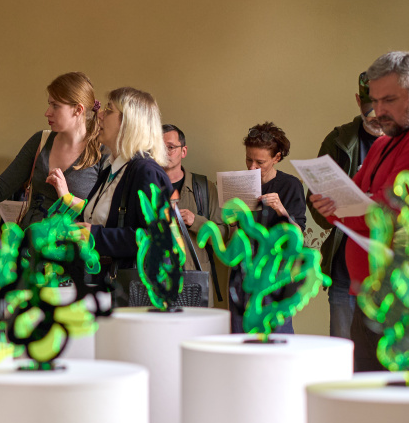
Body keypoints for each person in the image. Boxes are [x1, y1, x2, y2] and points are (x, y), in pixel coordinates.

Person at [310, 51, 409, 370]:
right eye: (375, 100)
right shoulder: (382, 143)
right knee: (366, 390)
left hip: (406, 297)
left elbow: (382, 212)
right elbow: (347, 206)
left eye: (389, 100)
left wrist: (351, 205)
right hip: (368, 295)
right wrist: (338, 205)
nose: (378, 111)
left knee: (403, 394)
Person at [0, 72, 106, 226]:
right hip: (31, 245)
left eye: (56, 106)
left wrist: (67, 197)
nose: (47, 112)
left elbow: (105, 216)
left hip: (74, 246)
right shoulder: (40, 141)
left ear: (78, 110)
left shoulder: (102, 151)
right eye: (49, 104)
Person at [47, 86, 171, 287]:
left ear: (129, 122)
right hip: (107, 286)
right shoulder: (111, 169)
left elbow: (156, 238)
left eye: (109, 110)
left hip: (135, 292)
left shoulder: (146, 171)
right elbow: (101, 219)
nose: (100, 115)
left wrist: (95, 235)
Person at [305, 72, 385, 338]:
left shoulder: (403, 143)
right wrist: (323, 207)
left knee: (382, 353)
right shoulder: (338, 140)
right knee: (343, 349)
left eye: (383, 105)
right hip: (344, 272)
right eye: (369, 106)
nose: (376, 114)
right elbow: (316, 203)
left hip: (386, 271)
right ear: (358, 101)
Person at [226, 122, 306, 334]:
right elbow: (234, 239)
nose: (252, 167)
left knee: (277, 334)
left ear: (276, 158)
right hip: (242, 273)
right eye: (248, 159)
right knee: (240, 335)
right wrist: (232, 222)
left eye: (259, 162)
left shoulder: (290, 185)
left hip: (275, 273)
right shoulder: (240, 184)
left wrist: (281, 209)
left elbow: (298, 237)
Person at [162, 123, 223, 305]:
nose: (164, 152)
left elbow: (223, 236)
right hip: (156, 280)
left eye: (170, 147)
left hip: (195, 281)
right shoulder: (145, 188)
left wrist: (196, 221)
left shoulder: (204, 188)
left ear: (183, 151)